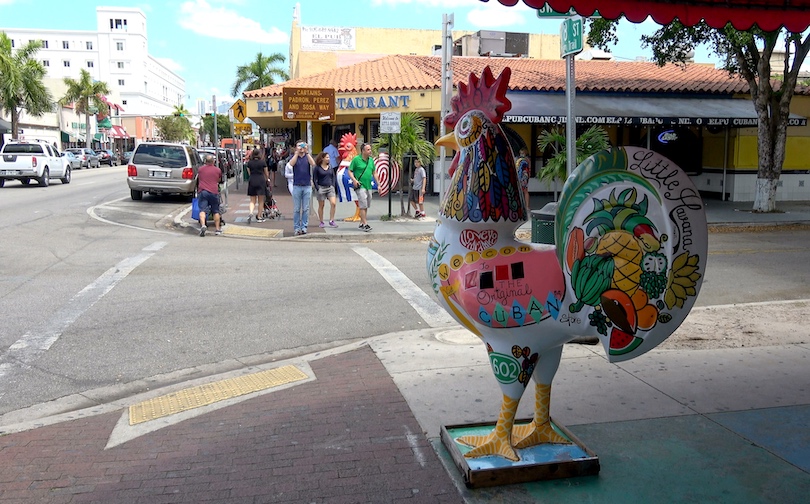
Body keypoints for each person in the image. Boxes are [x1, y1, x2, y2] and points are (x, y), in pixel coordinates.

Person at [286, 140, 315, 235]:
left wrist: (307, 152)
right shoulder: (294, 157)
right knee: (297, 209)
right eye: (299, 146)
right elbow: (291, 164)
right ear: (295, 147)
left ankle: (304, 227)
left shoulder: (307, 156)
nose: (301, 147)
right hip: (297, 185)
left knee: (306, 209)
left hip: (307, 185)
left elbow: (313, 163)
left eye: (302, 145)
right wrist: (296, 153)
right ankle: (296, 228)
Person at [348, 143, 379, 232]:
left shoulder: (371, 161)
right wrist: (354, 180)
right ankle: (365, 223)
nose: (370, 151)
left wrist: (379, 184)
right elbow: (350, 171)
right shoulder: (356, 160)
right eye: (368, 149)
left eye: (370, 149)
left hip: (368, 185)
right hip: (360, 185)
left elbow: (374, 173)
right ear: (363, 151)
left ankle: (361, 223)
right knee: (362, 204)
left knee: (366, 205)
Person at [197, 154, 223, 237]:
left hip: (203, 191)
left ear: (205, 161)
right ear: (213, 161)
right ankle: (217, 229)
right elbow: (218, 179)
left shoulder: (200, 169)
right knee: (216, 210)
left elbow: (200, 178)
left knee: (202, 210)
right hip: (214, 192)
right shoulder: (217, 170)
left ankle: (203, 225)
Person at [313, 151, 339, 228]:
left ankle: (331, 220)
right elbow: (314, 179)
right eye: (327, 157)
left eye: (329, 157)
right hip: (321, 187)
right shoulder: (317, 168)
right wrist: (317, 188)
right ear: (322, 158)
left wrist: (333, 185)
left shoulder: (330, 167)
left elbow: (333, 176)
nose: (328, 159)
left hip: (330, 187)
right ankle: (321, 221)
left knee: (333, 203)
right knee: (321, 205)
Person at [245, 148, 269, 224]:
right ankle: (259, 216)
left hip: (252, 180)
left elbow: (249, 173)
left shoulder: (249, 163)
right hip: (261, 181)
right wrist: (267, 179)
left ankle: (251, 212)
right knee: (261, 200)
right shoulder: (262, 162)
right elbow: (266, 173)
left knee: (252, 200)